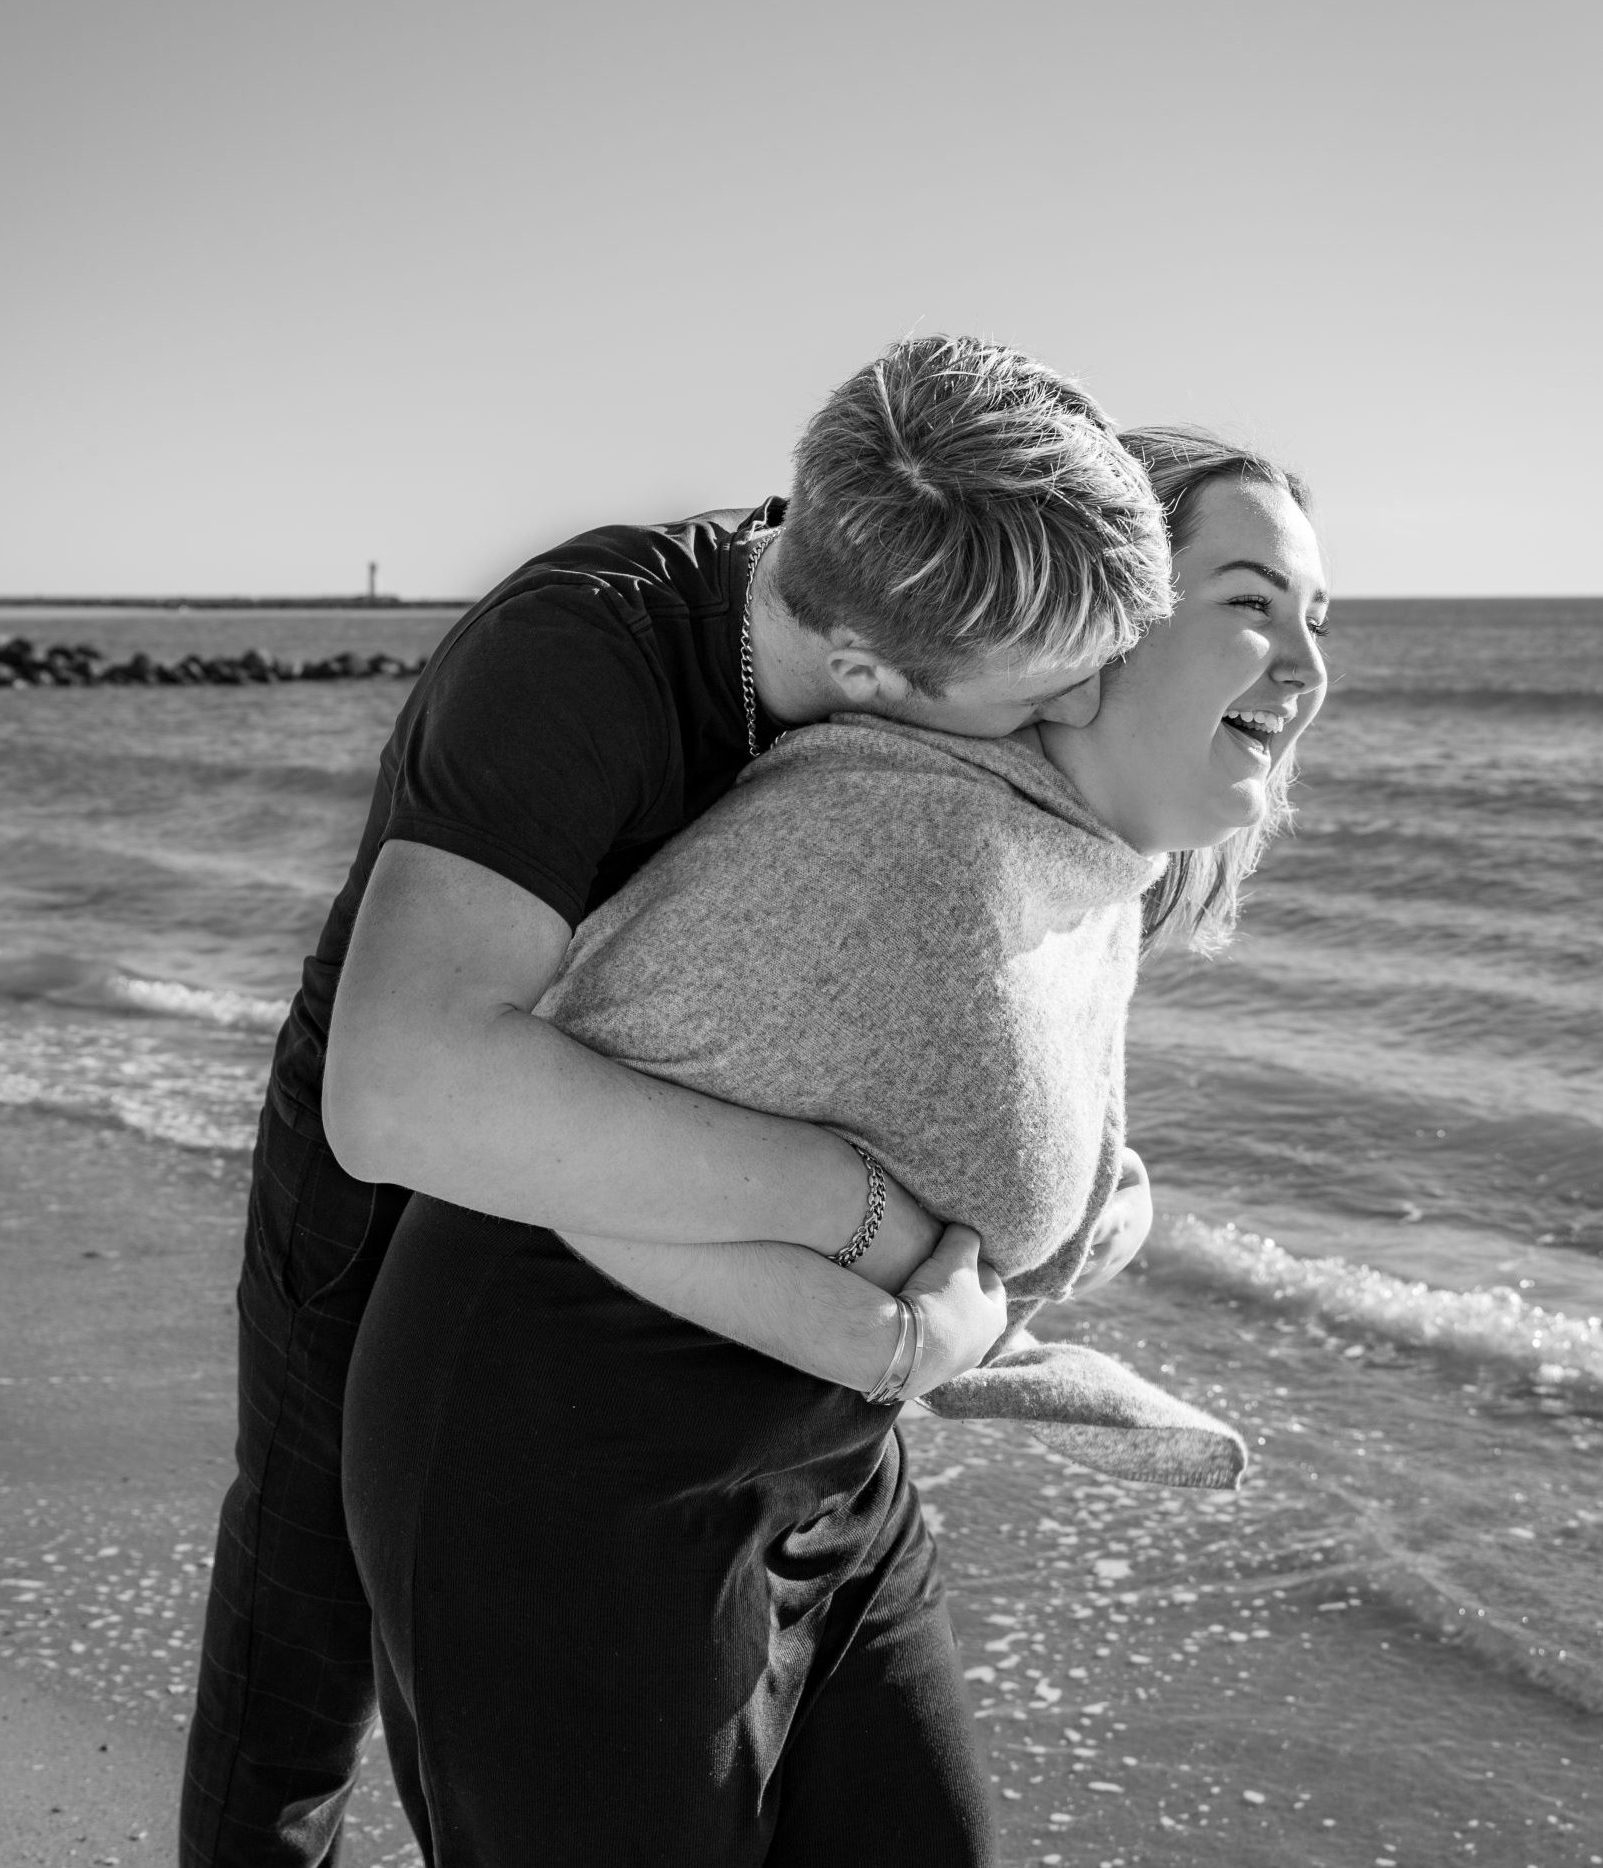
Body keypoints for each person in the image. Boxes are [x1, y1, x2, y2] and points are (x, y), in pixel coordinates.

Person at [180, 335, 1174, 1867]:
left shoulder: (902, 573)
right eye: (1054, 689)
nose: (1090, 703)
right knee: (305, 1640)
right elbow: (407, 1088)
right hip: (393, 1178)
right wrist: (861, 1218)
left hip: (693, 1359)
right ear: (865, 681)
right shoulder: (578, 660)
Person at [341, 428, 1330, 1865]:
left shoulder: (1096, 855)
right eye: (1253, 601)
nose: (1306, 664)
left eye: (1320, 616)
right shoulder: (885, 841)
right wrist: (900, 1306)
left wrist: (1006, 1262)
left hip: (820, 1471)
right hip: (560, 1471)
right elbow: (529, 1115)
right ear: (1102, 619)